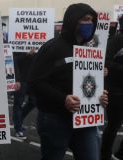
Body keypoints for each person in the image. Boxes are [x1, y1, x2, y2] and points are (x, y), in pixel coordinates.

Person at [28, 3, 108, 160]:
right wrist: (63, 99)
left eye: (92, 20)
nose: (90, 23)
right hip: (55, 119)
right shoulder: (52, 47)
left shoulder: (90, 50)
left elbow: (88, 82)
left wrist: (99, 95)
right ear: (73, 21)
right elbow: (35, 82)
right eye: (85, 19)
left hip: (85, 120)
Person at [100, 15, 123, 160]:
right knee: (114, 124)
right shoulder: (116, 41)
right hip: (115, 91)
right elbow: (105, 62)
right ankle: (105, 154)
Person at [12, 49, 37, 139]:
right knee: (18, 103)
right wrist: (26, 54)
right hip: (21, 79)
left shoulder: (38, 43)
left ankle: (18, 119)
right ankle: (18, 129)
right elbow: (13, 59)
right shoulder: (18, 46)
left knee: (34, 101)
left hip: (33, 78)